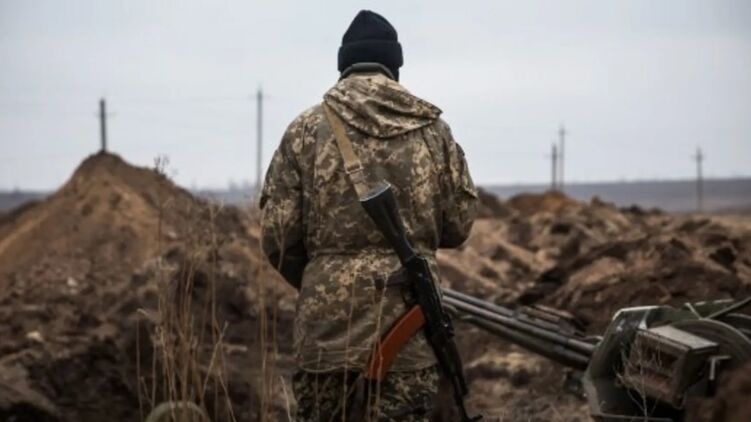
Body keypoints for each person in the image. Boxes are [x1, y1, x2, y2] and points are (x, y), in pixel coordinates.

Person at [261, 9, 478, 421]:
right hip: (409, 324)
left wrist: (325, 279)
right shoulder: (434, 131)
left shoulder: (303, 130)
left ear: (343, 65)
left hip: (326, 334)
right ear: (394, 65)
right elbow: (458, 225)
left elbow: (278, 238)